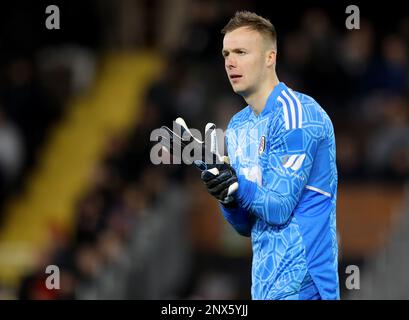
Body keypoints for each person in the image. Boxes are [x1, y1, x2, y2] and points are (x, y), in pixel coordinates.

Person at [200, 11, 340, 300]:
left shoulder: (298, 114)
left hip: (306, 287)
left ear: (269, 58)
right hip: (265, 290)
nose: (230, 61)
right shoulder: (239, 126)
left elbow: (278, 207)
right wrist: (227, 196)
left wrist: (240, 186)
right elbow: (247, 226)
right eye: (226, 53)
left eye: (241, 52)